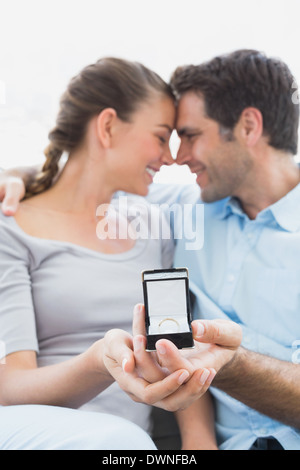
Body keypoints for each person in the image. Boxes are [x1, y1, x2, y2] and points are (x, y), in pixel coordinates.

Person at [0, 56, 242, 450]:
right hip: (36, 432)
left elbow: (176, 345)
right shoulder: (10, 227)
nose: (170, 157)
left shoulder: (154, 222)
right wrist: (100, 361)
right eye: (161, 137)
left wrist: (199, 443)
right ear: (108, 126)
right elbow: (11, 388)